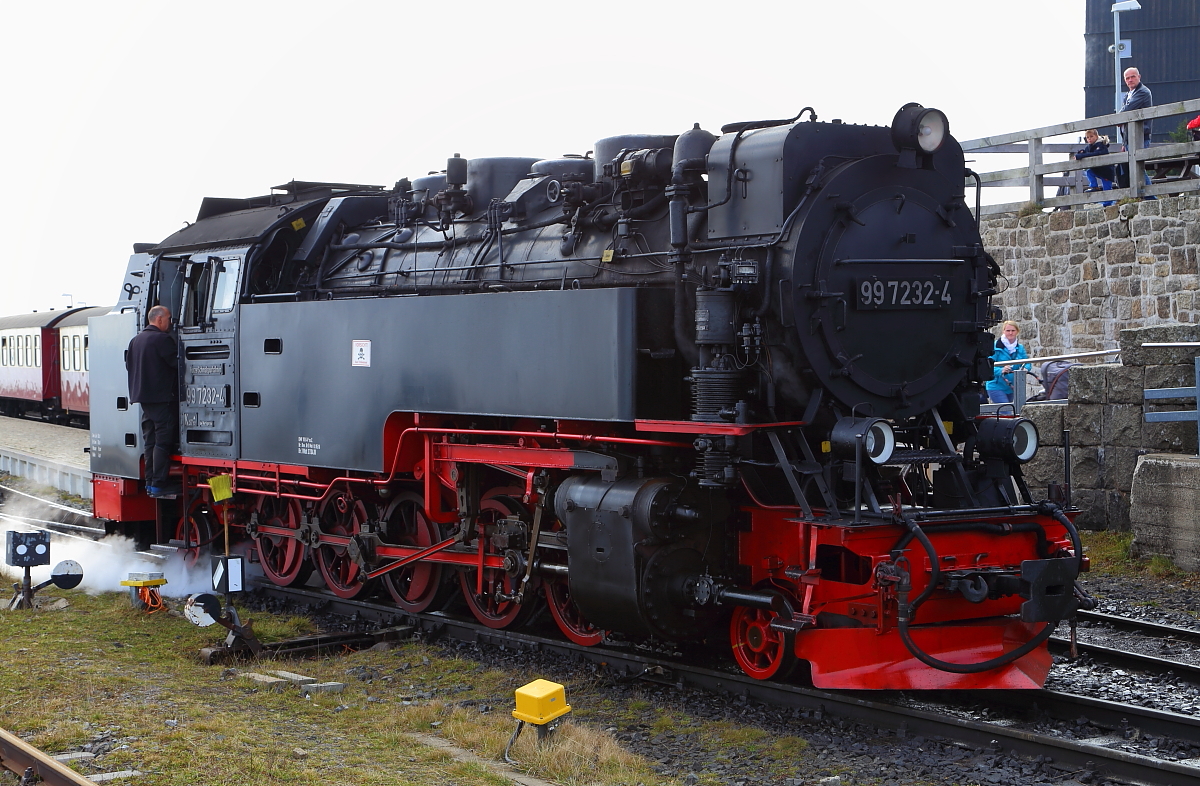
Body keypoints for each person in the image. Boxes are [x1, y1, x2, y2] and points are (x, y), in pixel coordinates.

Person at [126, 305, 179, 497]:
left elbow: (128, 366)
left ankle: (149, 482)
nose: (171, 322)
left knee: (150, 441)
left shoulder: (136, 340)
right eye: (169, 318)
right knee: (163, 442)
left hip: (143, 399)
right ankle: (159, 483)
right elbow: (176, 364)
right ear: (159, 320)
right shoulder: (162, 340)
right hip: (162, 398)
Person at [1116, 67, 1154, 192]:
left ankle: (1150, 196)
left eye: (1133, 77)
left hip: (1140, 135)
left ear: (1139, 77)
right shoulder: (1128, 95)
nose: (1130, 80)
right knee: (1134, 167)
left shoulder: (1143, 92)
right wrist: (1123, 143)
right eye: (1127, 78)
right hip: (1129, 137)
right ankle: (1145, 196)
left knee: (1137, 167)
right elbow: (1126, 120)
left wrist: (1118, 118)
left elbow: (1128, 110)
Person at [986, 321, 1030, 405]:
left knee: (1007, 412)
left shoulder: (1020, 348)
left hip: (1011, 386)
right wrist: (1001, 370)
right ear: (1003, 331)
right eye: (1008, 330)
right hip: (995, 385)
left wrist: (1026, 368)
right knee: (1006, 412)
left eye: (1013, 330)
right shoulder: (995, 346)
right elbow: (987, 364)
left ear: (1017, 331)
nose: (1010, 333)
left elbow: (1027, 362)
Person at [1073, 129, 1116, 206]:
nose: (1089, 139)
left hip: (1106, 171)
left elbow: (1095, 154)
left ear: (1096, 136)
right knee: (1089, 172)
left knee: (1107, 188)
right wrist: (1081, 153)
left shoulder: (1101, 145)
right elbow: (1086, 152)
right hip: (1098, 169)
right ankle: (1094, 186)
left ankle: (1108, 204)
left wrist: (1081, 156)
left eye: (1091, 136)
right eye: (1087, 137)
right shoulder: (1089, 146)